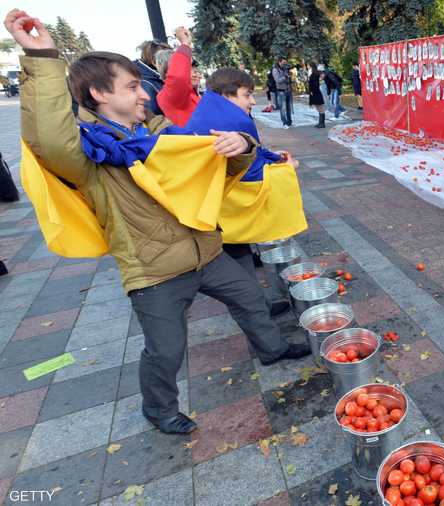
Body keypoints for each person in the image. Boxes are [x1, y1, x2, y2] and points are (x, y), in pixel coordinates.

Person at [6, 8, 309, 435]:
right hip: (154, 271)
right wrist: (42, 59)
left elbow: (212, 159)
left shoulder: (158, 132)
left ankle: (272, 349)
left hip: (206, 250)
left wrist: (242, 143)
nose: (144, 94)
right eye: (132, 87)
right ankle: (159, 407)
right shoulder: (87, 153)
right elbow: (48, 138)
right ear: (98, 93)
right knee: (166, 350)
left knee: (251, 298)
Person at [157, 26, 201, 127]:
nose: (194, 73)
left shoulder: (190, 91)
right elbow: (178, 77)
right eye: (186, 67)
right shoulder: (168, 94)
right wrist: (185, 43)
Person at [135, 39, 170, 115]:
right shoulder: (145, 83)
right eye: (167, 57)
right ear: (154, 61)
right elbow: (153, 113)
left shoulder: (154, 77)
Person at [271, 57, 293, 128]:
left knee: (289, 107)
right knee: (282, 108)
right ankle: (284, 123)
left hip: (288, 90)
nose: (285, 64)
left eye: (285, 62)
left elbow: (288, 78)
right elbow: (277, 80)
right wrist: (285, 77)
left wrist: (290, 78)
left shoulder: (285, 69)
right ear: (279, 62)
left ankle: (289, 121)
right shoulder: (275, 69)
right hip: (281, 91)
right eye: (283, 62)